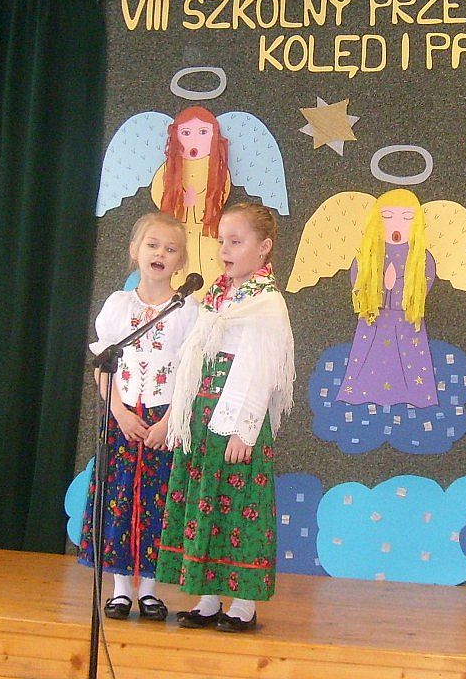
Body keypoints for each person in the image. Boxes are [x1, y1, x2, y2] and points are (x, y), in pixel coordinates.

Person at [156, 202, 295, 633]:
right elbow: (195, 356)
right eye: (222, 242)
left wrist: (245, 429)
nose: (225, 251)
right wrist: (183, 415)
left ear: (263, 247)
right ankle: (208, 596)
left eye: (236, 242)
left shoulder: (266, 303)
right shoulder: (217, 297)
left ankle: (244, 604)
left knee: (240, 508)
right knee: (206, 502)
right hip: (204, 416)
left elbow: (261, 369)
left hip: (235, 423)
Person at [78, 212, 199, 621]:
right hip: (123, 417)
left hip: (164, 418)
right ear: (134, 251)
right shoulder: (119, 306)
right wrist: (119, 413)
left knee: (156, 501)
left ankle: (149, 589)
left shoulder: (188, 311)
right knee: (118, 497)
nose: (160, 253)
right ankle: (120, 589)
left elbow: (191, 374)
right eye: (152, 244)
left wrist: (169, 423)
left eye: (171, 248)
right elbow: (103, 365)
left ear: (181, 261)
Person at [337, 188, 439, 408]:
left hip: (407, 320)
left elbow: (425, 284)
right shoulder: (367, 255)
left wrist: (401, 291)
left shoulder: (421, 257)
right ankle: (361, 393)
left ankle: (414, 396)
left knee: (410, 361)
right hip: (374, 317)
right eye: (387, 217)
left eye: (407, 218)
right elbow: (358, 281)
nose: (397, 225)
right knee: (369, 359)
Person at [150, 106, 231, 291]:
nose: (194, 140)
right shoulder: (167, 171)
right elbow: (159, 197)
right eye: (186, 133)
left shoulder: (217, 171)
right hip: (178, 233)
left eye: (203, 132)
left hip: (206, 233)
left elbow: (221, 196)